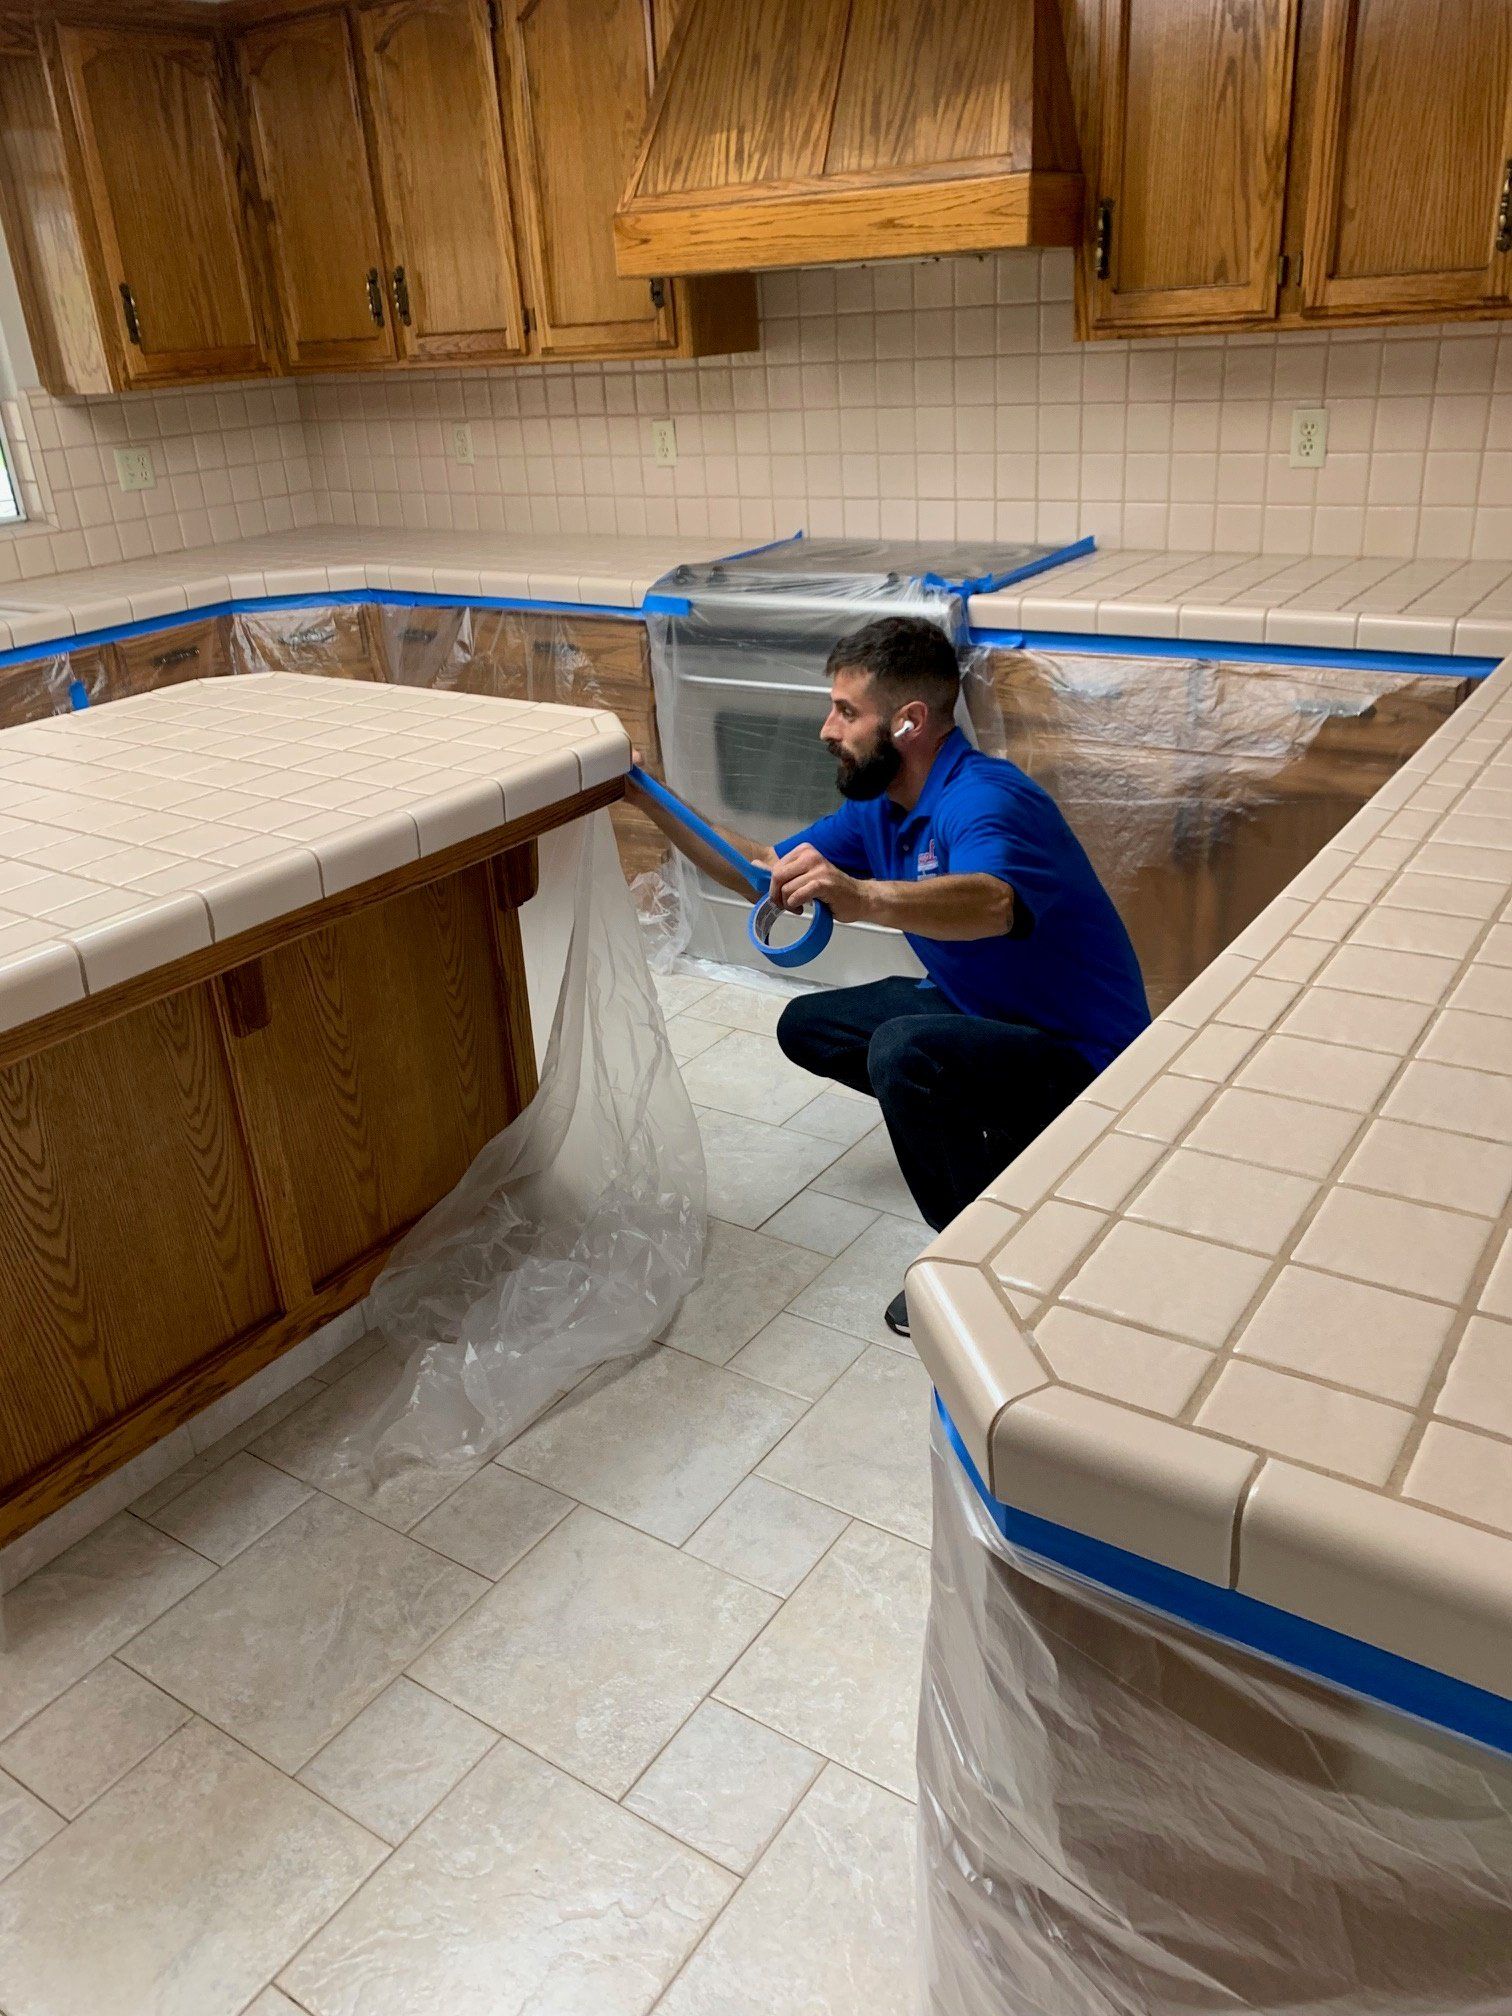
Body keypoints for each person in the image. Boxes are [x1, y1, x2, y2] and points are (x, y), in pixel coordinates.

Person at [629, 613, 1150, 1338]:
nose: (826, 729)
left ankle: (981, 1260)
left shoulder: (984, 798)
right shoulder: (883, 810)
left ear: (908, 723)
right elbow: (764, 871)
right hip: (990, 1008)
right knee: (808, 1026)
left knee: (905, 1053)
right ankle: (1003, 1142)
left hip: (1093, 1066)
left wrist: (865, 896)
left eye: (846, 711)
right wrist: (640, 791)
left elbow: (995, 901)